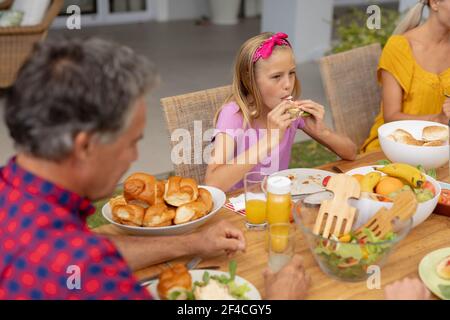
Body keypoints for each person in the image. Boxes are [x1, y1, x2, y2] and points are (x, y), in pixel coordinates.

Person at [0, 37, 310, 300]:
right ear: (84, 147)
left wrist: (190, 243)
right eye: (132, 142)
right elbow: (88, 257)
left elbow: (96, 245)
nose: (135, 158)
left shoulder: (16, 191)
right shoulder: (88, 272)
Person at [204, 32, 357, 192]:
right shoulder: (234, 115)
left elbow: (351, 153)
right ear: (249, 79)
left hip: (276, 199)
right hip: (239, 207)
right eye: (276, 76)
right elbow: (213, 183)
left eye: (291, 73)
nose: (287, 84)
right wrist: (270, 139)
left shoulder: (290, 112)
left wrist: (323, 132)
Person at [361, 0, 450, 152]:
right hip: (392, 146)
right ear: (435, 3)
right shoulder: (400, 47)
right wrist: (438, 119)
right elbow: (391, 116)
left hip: (439, 148)